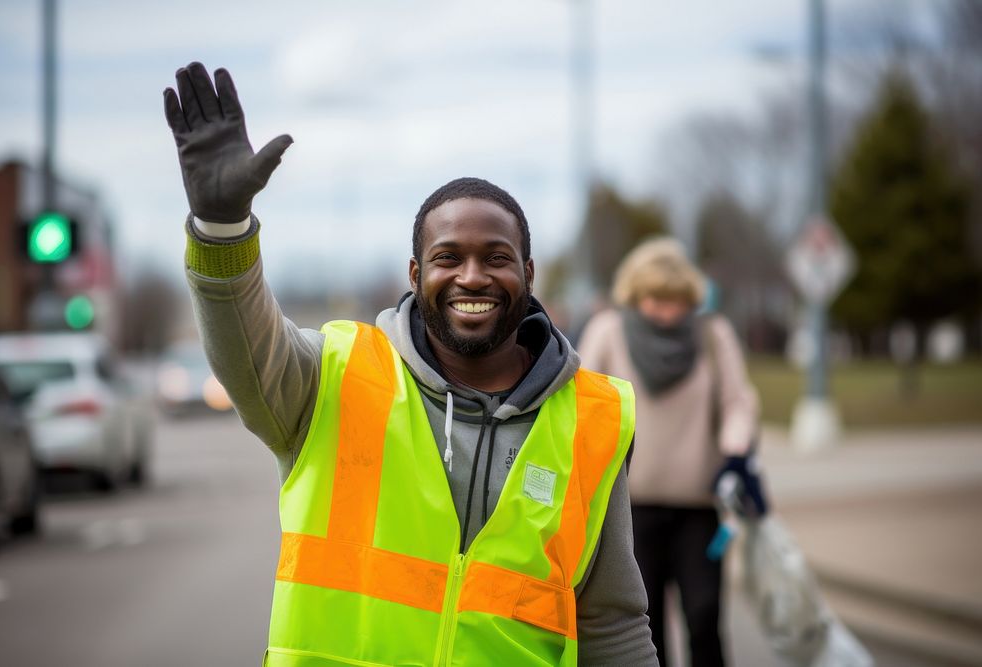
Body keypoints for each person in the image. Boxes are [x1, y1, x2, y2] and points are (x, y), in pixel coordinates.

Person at [163, 62, 658, 666]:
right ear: (417, 275)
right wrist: (222, 229)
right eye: (448, 257)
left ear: (527, 277)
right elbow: (246, 348)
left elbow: (612, 624)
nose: (472, 276)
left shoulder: (594, 419)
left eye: (496, 257)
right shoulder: (334, 378)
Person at [577, 237, 766, 667]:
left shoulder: (713, 335)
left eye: (676, 300)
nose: (666, 310)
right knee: (646, 626)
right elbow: (583, 402)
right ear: (635, 295)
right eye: (655, 299)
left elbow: (738, 402)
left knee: (704, 617)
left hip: (699, 508)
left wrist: (735, 450)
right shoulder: (608, 331)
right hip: (628, 509)